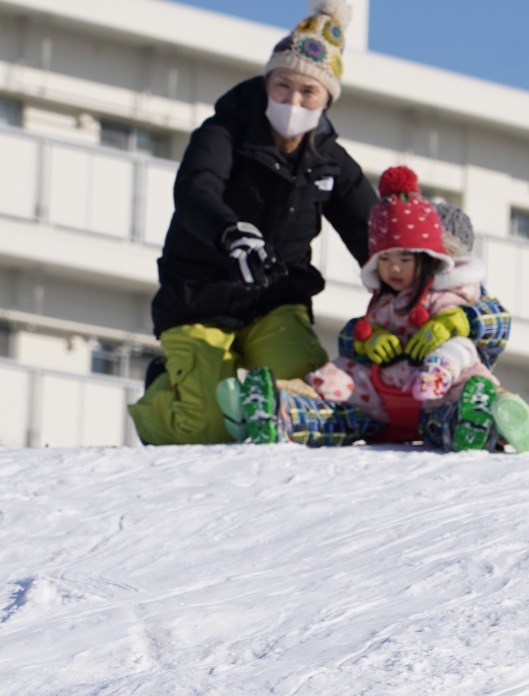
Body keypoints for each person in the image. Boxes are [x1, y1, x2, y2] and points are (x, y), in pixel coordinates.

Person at [128, 0, 378, 446]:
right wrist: (230, 234)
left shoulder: (330, 162)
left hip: (275, 301)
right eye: (283, 86)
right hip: (199, 298)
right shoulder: (222, 132)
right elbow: (196, 190)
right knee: (201, 430)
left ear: (327, 99)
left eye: (308, 92)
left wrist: (417, 276)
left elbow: (370, 231)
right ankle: (166, 389)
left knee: (304, 399)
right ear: (267, 83)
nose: (293, 100)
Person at [236, 193, 529, 451]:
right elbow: (356, 334)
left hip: (436, 397)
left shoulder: (464, 295)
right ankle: (280, 412)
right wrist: (369, 338)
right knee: (336, 414)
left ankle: (489, 421)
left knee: (458, 414)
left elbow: (497, 322)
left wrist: (458, 321)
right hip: (380, 398)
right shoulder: (390, 293)